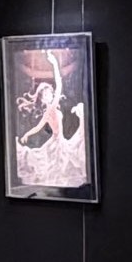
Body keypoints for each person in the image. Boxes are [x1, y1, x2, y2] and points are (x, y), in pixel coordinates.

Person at [15, 49, 87, 186]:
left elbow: (38, 127)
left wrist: (27, 134)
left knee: (60, 167)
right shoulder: (50, 109)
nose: (50, 95)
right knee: (59, 167)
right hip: (57, 142)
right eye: (46, 94)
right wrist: (54, 64)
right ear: (42, 99)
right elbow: (59, 85)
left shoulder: (50, 109)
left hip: (59, 140)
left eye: (50, 93)